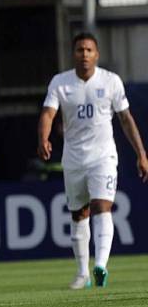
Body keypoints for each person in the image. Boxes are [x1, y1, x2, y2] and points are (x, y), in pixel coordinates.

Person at [38, 32, 148, 290]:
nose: (84, 54)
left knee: (102, 205)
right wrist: (43, 138)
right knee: (79, 213)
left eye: (89, 50)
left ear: (96, 54)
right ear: (73, 54)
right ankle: (81, 273)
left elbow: (125, 119)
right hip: (74, 158)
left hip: (103, 156)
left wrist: (141, 153)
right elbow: (47, 113)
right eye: (79, 50)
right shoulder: (60, 83)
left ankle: (100, 265)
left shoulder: (110, 81)